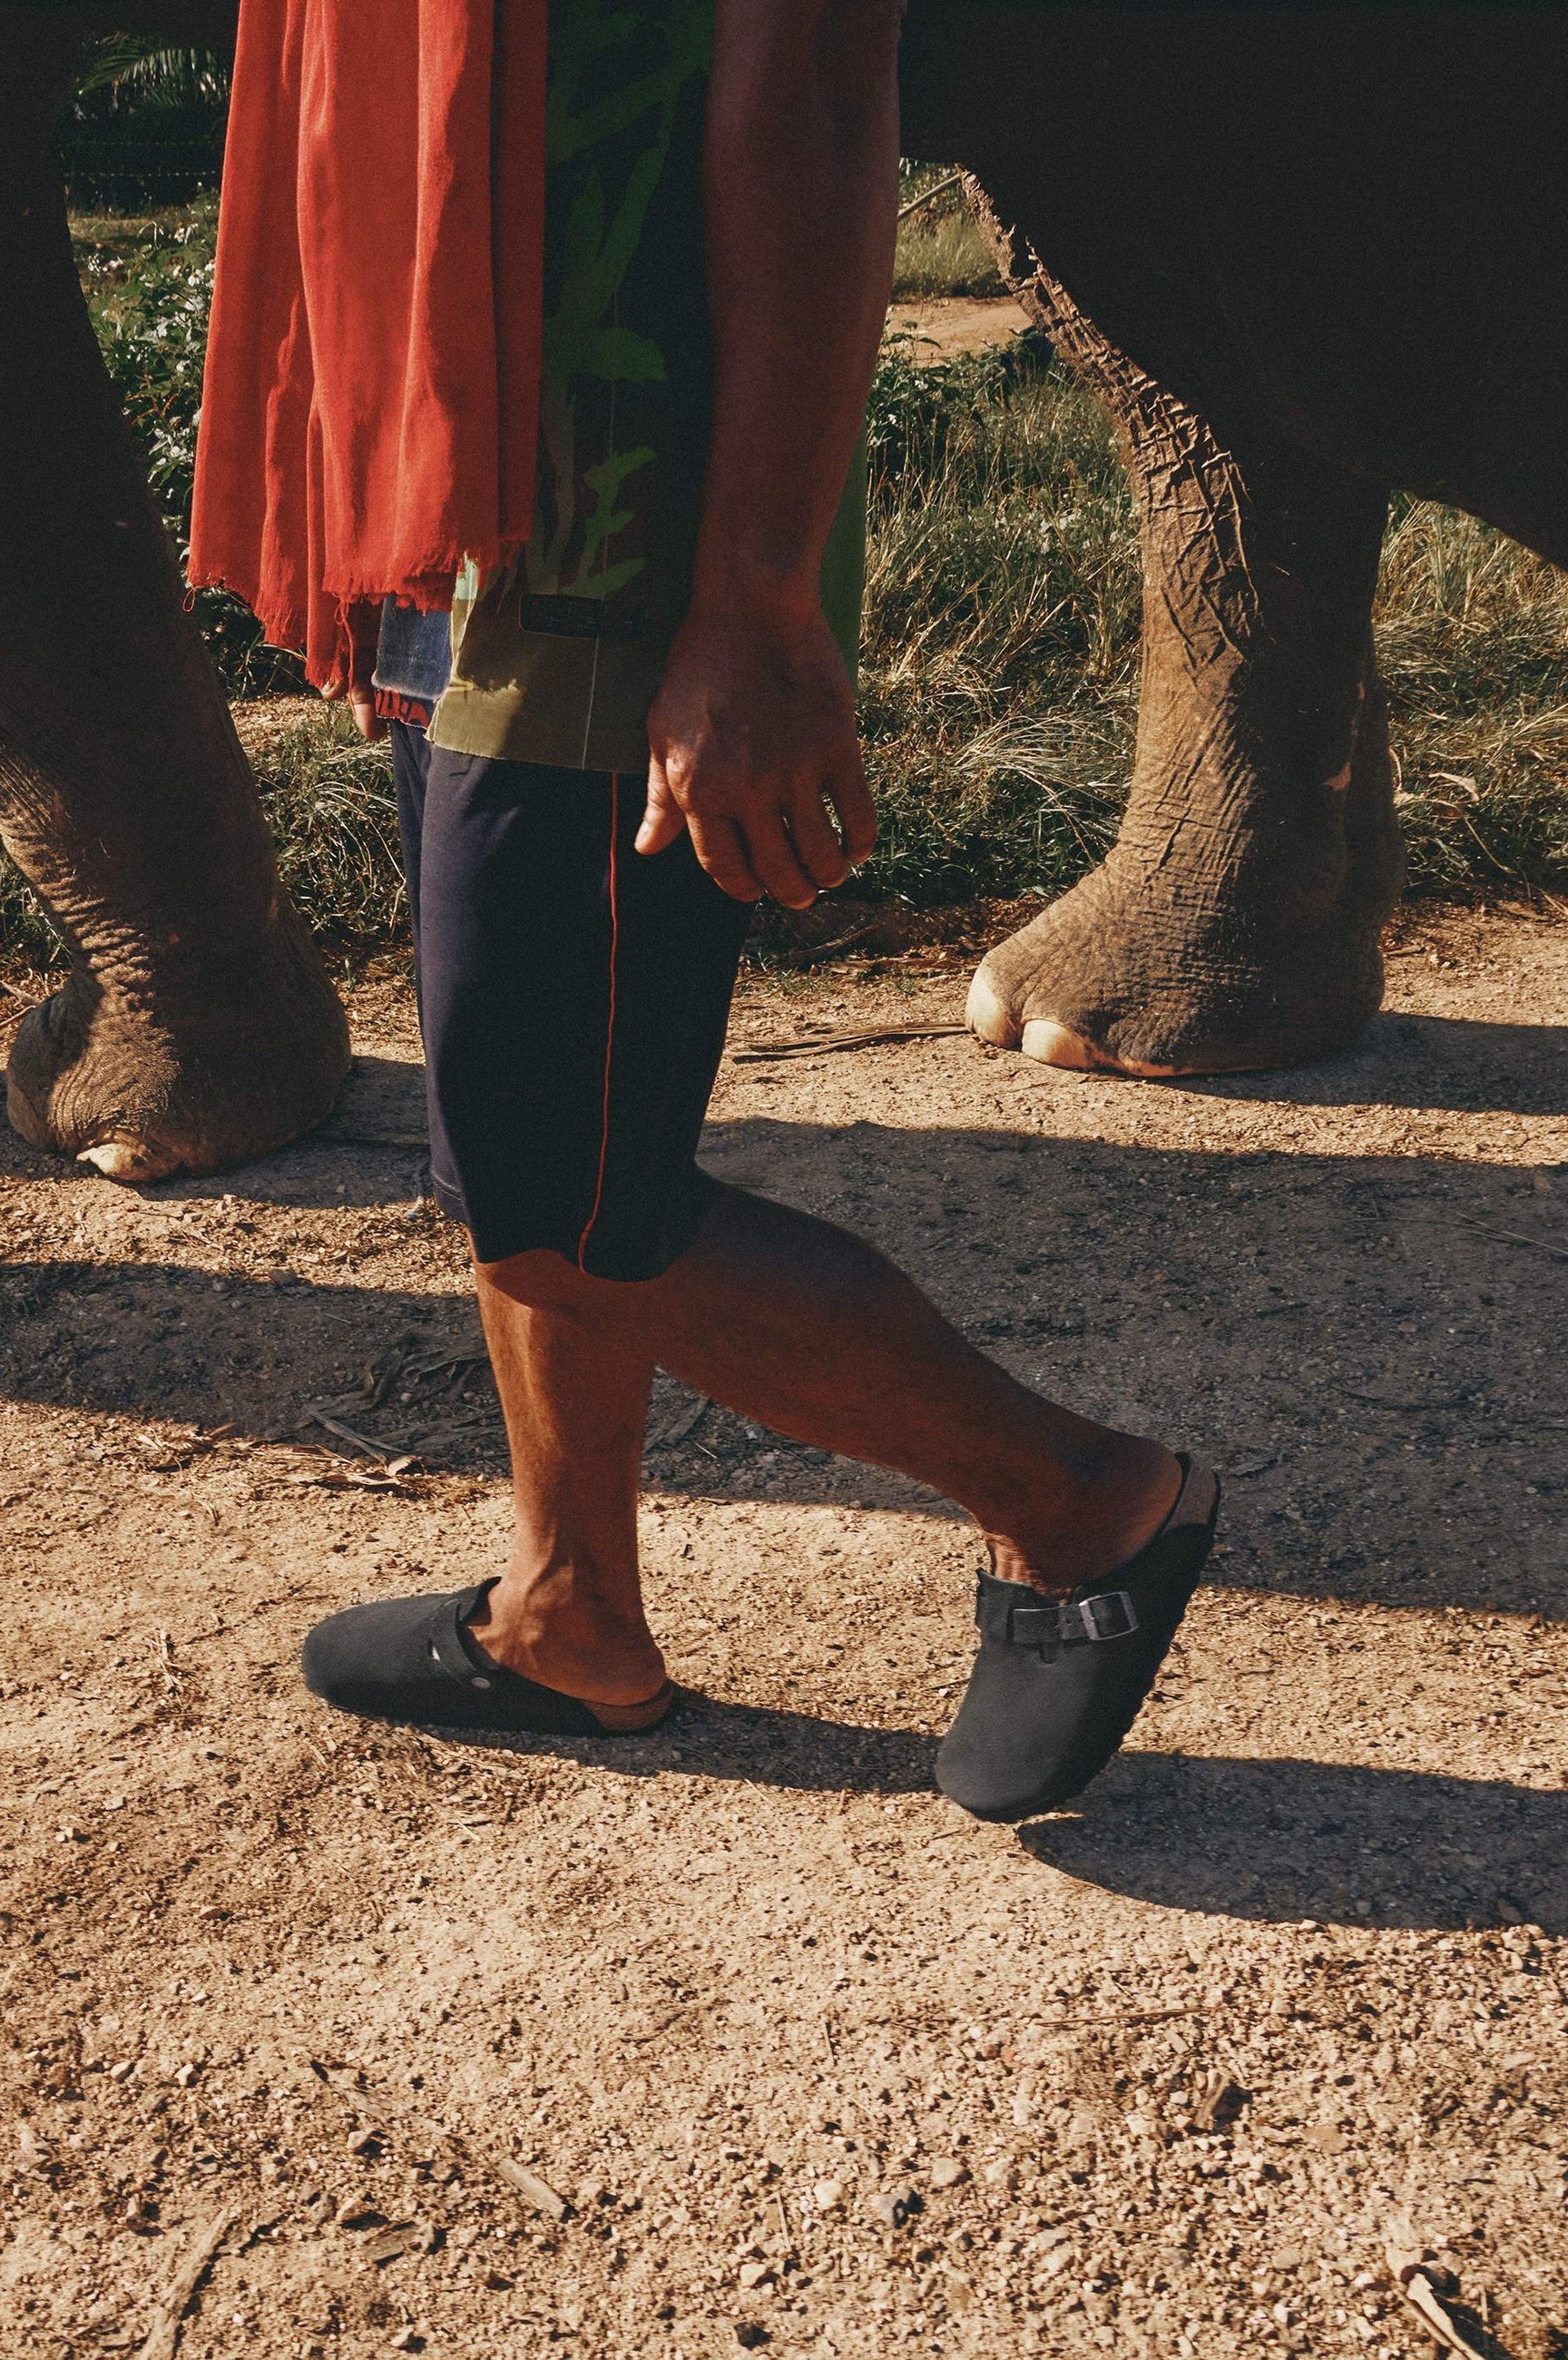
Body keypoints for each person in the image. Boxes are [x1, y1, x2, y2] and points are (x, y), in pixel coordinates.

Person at [191, 0, 1216, 1821]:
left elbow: (813, 88)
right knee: (551, 1128)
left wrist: (751, 595)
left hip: (634, 515)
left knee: (555, 1198)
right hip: (474, 473)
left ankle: (1078, 1506)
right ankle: (569, 1610)